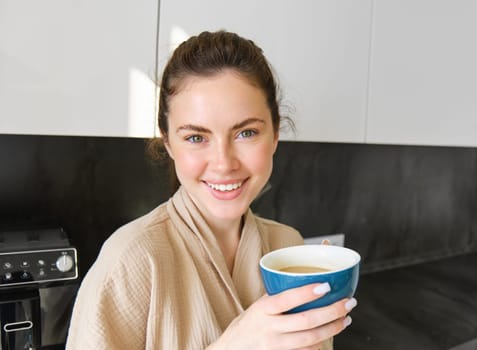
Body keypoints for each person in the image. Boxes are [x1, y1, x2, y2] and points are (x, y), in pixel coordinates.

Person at [66, 30, 357, 350]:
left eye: (246, 132)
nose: (223, 163)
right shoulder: (131, 260)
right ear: (169, 143)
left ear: (275, 134)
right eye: (195, 137)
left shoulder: (287, 245)